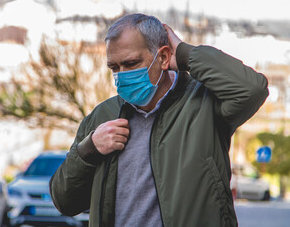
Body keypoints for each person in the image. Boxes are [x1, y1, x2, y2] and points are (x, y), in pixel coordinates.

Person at [49, 13, 268, 227]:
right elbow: (64, 202)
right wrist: (89, 149)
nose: (121, 75)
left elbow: (252, 89)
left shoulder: (204, 104)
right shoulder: (103, 116)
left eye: (131, 63)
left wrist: (185, 54)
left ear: (162, 58)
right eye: (114, 68)